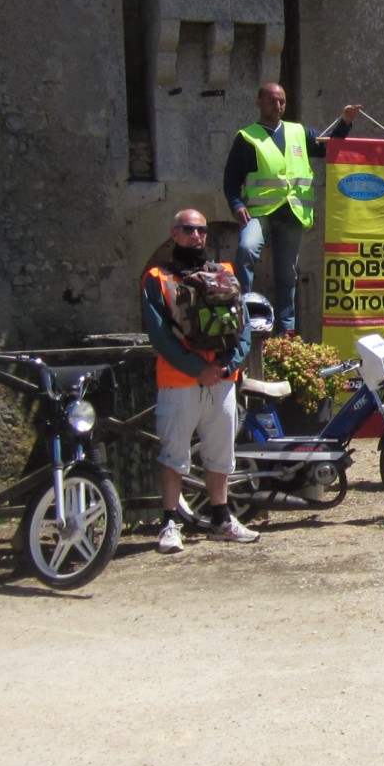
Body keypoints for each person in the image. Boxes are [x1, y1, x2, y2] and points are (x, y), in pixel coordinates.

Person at [143, 208, 260, 553]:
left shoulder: (226, 272)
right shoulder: (156, 278)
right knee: (174, 453)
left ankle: (221, 518)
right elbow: (159, 334)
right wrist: (197, 369)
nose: (196, 236)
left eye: (202, 231)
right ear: (174, 234)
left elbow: (244, 325)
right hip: (179, 380)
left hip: (222, 378)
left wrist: (228, 366)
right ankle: (169, 522)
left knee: (221, 453)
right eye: (188, 230)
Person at [223, 82, 359, 333]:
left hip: (293, 212)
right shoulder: (246, 137)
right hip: (260, 211)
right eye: (271, 101)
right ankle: (241, 311)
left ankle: (285, 331)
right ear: (259, 102)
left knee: (287, 274)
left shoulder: (299, 132)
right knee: (246, 249)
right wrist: (235, 203)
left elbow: (330, 146)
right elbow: (231, 177)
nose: (277, 106)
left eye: (282, 101)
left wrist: (345, 122)